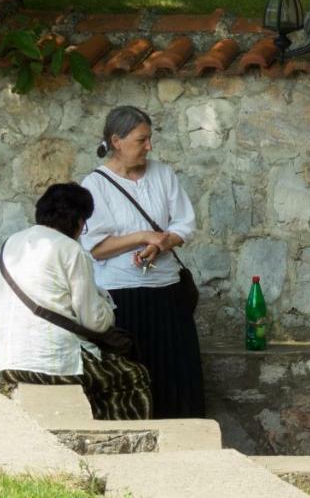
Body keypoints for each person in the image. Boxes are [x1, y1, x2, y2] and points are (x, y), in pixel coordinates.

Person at [80, 106, 204, 419]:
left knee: (177, 374)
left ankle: (186, 443)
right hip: (123, 298)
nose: (149, 147)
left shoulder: (163, 174)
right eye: (141, 140)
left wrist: (160, 244)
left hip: (168, 292)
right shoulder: (95, 185)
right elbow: (96, 247)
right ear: (116, 141)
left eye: (149, 139)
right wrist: (143, 237)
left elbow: (184, 224)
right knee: (133, 376)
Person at [0, 183, 152, 420]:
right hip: (51, 363)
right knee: (132, 376)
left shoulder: (11, 243)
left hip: (8, 359)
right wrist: (108, 306)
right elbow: (95, 321)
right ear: (78, 221)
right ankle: (123, 446)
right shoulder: (71, 250)